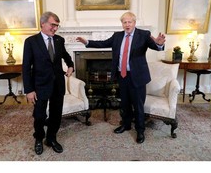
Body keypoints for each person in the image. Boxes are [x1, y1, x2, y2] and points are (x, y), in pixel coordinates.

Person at [76, 11, 165, 144]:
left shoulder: (144, 35)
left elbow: (156, 47)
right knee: (124, 103)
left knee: (138, 105)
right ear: (122, 24)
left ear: (134, 23)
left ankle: (140, 130)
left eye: (130, 22)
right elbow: (103, 43)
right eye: (124, 22)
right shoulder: (117, 36)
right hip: (122, 76)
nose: (127, 24)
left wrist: (158, 43)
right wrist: (87, 42)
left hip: (137, 77)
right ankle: (126, 124)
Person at [22, 11, 74, 155]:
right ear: (43, 23)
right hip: (40, 86)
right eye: (53, 25)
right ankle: (39, 138)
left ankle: (51, 138)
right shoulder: (31, 42)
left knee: (56, 114)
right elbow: (26, 67)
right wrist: (29, 90)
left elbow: (66, 56)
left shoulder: (59, 40)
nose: (55, 28)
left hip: (58, 84)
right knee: (39, 115)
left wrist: (71, 66)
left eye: (57, 26)